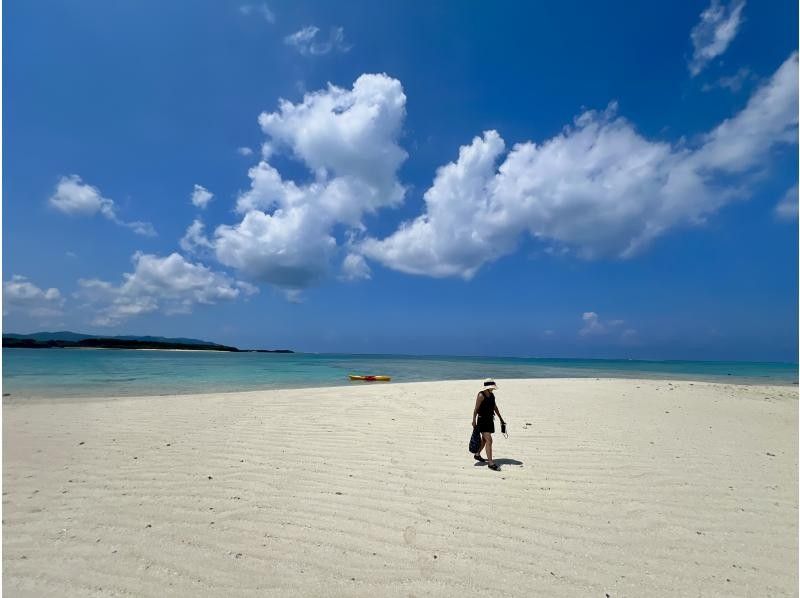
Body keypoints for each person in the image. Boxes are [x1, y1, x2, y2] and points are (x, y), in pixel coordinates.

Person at [472, 378, 505, 471]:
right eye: (492, 387)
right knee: (489, 440)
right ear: (487, 387)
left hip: (490, 420)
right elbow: (476, 409)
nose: (493, 389)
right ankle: (490, 463)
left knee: (484, 440)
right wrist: (473, 420)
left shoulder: (492, 395)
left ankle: (477, 454)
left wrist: (501, 419)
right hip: (482, 420)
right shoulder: (480, 395)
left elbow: (495, 407)